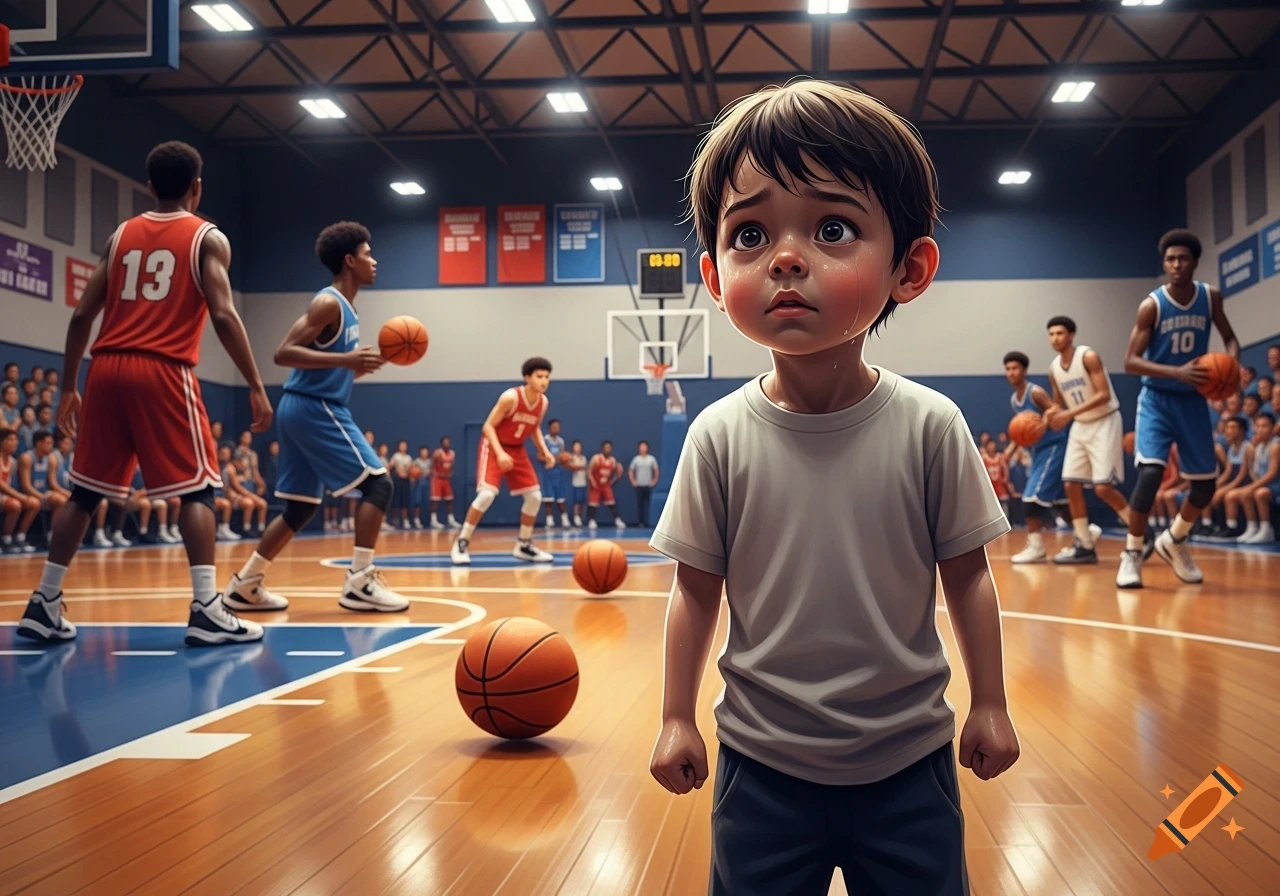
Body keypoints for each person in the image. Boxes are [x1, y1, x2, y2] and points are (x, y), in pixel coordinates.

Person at [647, 80, 1017, 896]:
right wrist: (676, 716)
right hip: (760, 766)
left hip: (909, 761)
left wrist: (989, 702)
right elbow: (694, 592)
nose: (785, 257)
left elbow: (969, 578)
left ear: (909, 268)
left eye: (833, 228)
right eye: (750, 234)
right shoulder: (716, 436)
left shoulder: (931, 425)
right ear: (715, 277)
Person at [16, 141, 272, 645]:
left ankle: (44, 601)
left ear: (150, 187)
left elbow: (80, 316)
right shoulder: (208, 237)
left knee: (84, 491)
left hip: (105, 368)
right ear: (198, 187)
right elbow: (223, 314)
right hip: (163, 368)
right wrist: (256, 385)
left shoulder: (120, 236)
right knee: (197, 490)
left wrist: (68, 387)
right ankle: (207, 608)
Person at [223, 221, 408, 614]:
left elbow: (328, 363)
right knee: (379, 485)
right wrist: (346, 360)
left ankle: (245, 585)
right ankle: (360, 581)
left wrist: (356, 367)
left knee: (300, 507)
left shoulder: (349, 309)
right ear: (349, 261)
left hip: (305, 405)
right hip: (315, 407)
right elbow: (283, 353)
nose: (374, 261)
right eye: (368, 254)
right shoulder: (328, 303)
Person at [1120, 229, 1240, 588]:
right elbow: (1130, 361)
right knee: (1150, 476)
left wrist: (1232, 366)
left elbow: (1230, 338)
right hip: (1157, 399)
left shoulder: (1210, 297)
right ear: (1164, 263)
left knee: (1205, 487)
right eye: (1170, 259)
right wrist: (1177, 372)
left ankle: (1175, 539)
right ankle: (1132, 553)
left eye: (1183, 258)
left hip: (1192, 400)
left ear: (1195, 262)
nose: (1176, 264)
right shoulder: (1152, 305)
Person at [450, 358, 557, 566]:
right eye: (539, 376)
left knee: (534, 497)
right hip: (494, 446)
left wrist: (545, 451)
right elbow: (488, 426)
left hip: (517, 449)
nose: (544, 381)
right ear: (527, 378)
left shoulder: (543, 402)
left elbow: (534, 428)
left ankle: (523, 545)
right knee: (487, 495)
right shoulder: (511, 397)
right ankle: (462, 542)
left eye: (547, 377)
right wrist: (499, 454)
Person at [1045, 316, 1132, 566]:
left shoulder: (1088, 357)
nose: (1055, 338)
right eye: (1051, 334)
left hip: (1104, 421)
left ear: (1071, 335)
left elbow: (1103, 395)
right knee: (1071, 484)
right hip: (1081, 425)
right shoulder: (1054, 369)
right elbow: (1058, 404)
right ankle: (1084, 544)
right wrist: (1046, 417)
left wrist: (1068, 414)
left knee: (1102, 488)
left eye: (1060, 333)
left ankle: (1140, 530)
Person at [1002, 351, 1096, 563]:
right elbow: (1023, 432)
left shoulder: (1035, 392)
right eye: (1008, 369)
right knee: (1060, 504)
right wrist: (1010, 451)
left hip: (1054, 446)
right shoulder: (1014, 400)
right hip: (1038, 451)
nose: (1011, 372)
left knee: (1030, 499)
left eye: (1015, 368)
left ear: (1024, 370)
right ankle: (1087, 535)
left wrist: (1043, 422)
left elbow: (1055, 409)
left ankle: (1036, 547)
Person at [1235, 413, 1278, 543]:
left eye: (1264, 426)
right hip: (1265, 484)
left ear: (1273, 428)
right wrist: (1249, 458)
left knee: (1259, 493)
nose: (1260, 429)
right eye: (1258, 426)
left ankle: (1266, 529)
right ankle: (1252, 527)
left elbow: (1272, 474)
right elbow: (1255, 473)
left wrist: (1253, 486)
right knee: (1245, 494)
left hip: (1276, 484)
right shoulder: (1259, 447)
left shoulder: (1275, 446)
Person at [0, 427, 40, 553]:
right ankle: (6, 540)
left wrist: (23, 496)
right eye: (10, 440)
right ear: (2, 442)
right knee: (15, 505)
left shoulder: (13, 461)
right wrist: (20, 496)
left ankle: (20, 537)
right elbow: (1, 485)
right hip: (3, 494)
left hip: (4, 495)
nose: (14, 443)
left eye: (16, 440)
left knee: (34, 503)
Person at [18, 429, 69, 524]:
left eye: (51, 443)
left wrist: (70, 495)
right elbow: (26, 486)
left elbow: (54, 485)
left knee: (65, 500)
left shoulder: (51, 459)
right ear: (39, 443)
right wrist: (43, 498)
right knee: (57, 500)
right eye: (48, 443)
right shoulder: (26, 458)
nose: (51, 446)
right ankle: (21, 531)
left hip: (44, 492)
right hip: (28, 493)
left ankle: (53, 531)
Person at [587, 440, 625, 530]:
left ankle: (617, 520)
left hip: (606, 485)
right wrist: (592, 482)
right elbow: (589, 471)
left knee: (611, 502)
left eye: (609, 448)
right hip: (596, 484)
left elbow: (617, 474)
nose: (607, 449)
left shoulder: (613, 460)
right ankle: (591, 520)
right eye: (606, 447)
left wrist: (614, 479)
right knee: (593, 503)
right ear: (602, 449)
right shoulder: (596, 458)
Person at [540, 418, 571, 528]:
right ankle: (549, 521)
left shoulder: (561, 441)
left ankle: (565, 520)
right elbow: (539, 457)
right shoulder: (544, 440)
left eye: (558, 427)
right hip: (548, 472)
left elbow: (563, 457)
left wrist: (565, 459)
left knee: (561, 498)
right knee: (548, 499)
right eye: (554, 427)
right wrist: (551, 459)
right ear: (549, 428)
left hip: (559, 472)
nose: (556, 429)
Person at [628, 440, 660, 527]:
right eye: (641, 447)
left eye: (644, 446)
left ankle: (651, 521)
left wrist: (654, 480)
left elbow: (656, 470)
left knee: (649, 504)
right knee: (640, 505)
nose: (643, 448)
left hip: (648, 486)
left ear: (647, 448)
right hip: (639, 486)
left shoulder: (651, 459)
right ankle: (641, 522)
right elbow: (631, 470)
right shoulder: (636, 459)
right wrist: (633, 481)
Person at [430, 436, 459, 529]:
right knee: (435, 500)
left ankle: (451, 520)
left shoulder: (452, 453)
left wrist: (450, 473)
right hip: (437, 479)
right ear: (441, 444)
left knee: (449, 499)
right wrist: (435, 473)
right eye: (445, 442)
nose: (447, 444)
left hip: (446, 479)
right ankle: (433, 520)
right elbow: (432, 464)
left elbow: (452, 466)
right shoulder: (438, 453)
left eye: (448, 442)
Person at [389, 439, 413, 529]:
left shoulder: (408, 458)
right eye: (401, 445)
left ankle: (405, 520)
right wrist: (396, 470)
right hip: (397, 480)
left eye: (404, 445)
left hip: (406, 481)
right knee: (396, 499)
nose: (403, 447)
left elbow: (411, 468)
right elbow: (390, 466)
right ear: (398, 446)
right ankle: (395, 519)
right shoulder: (396, 456)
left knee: (405, 500)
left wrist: (410, 474)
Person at [410, 445, 431, 529]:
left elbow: (431, 471)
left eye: (425, 451)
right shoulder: (416, 461)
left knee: (427, 503)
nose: (424, 453)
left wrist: (428, 473)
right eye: (423, 451)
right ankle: (416, 519)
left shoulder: (430, 462)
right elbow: (412, 471)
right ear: (420, 452)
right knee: (417, 502)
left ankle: (428, 520)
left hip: (427, 483)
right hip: (418, 484)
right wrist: (415, 475)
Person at [568, 439, 588, 527]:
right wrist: (579, 467)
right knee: (576, 501)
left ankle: (580, 516)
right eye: (576, 446)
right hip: (575, 483)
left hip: (583, 482)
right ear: (572, 448)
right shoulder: (571, 458)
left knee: (581, 501)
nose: (577, 448)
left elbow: (586, 469)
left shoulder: (583, 458)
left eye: (579, 446)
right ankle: (576, 517)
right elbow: (572, 467)